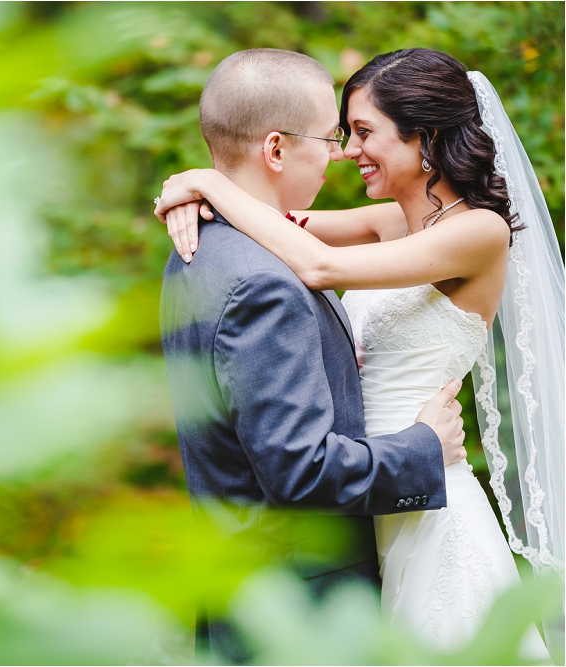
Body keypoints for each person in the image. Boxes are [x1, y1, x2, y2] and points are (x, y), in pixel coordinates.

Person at [156, 48, 562, 659]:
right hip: (364, 495)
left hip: (422, 500)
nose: (347, 150)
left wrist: (208, 180)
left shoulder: (479, 232)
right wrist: (192, 192)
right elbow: (274, 220)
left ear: (423, 138)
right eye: (341, 134)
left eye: (364, 132)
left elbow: (316, 264)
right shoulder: (390, 224)